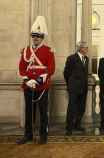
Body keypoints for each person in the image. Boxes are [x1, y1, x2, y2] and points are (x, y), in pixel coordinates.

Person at [16, 16, 55, 144]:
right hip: (28, 85)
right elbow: (21, 67)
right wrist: (27, 80)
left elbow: (51, 68)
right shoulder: (26, 50)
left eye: (38, 36)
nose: (35, 38)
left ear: (42, 37)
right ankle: (28, 135)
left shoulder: (49, 51)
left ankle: (43, 137)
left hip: (42, 86)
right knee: (28, 111)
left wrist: (37, 80)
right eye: (33, 36)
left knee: (43, 112)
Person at [63, 41, 89, 136]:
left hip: (83, 87)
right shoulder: (71, 58)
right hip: (74, 88)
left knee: (81, 107)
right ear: (80, 48)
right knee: (72, 108)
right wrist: (70, 84)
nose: (87, 49)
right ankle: (69, 128)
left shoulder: (86, 58)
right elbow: (66, 73)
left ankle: (77, 125)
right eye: (85, 47)